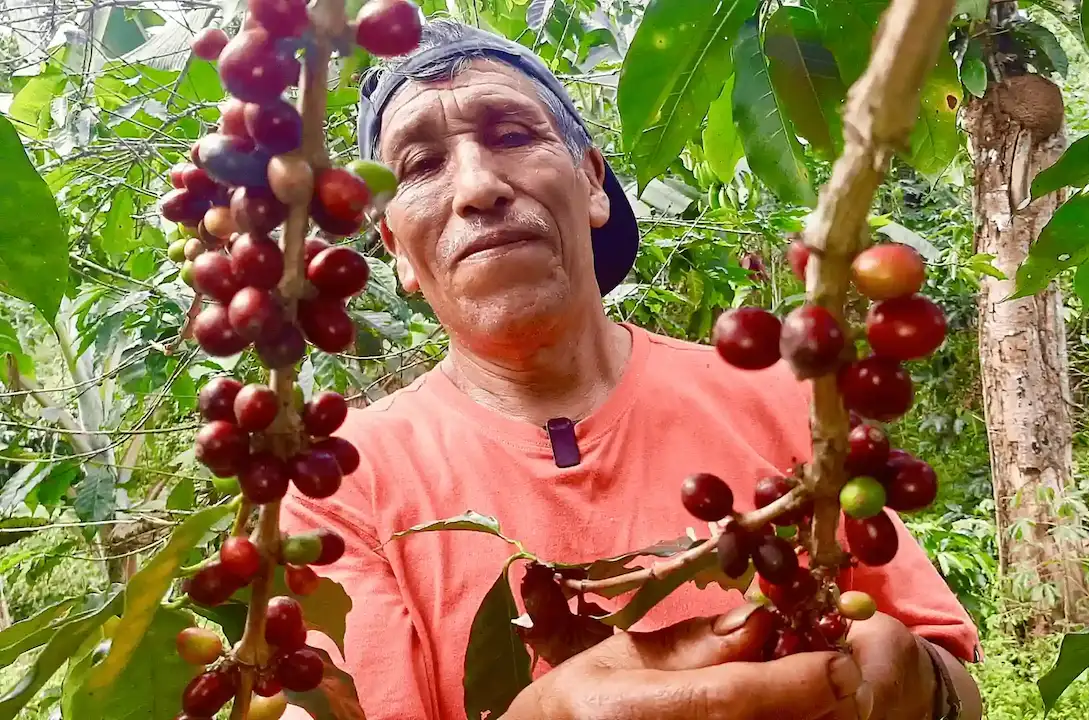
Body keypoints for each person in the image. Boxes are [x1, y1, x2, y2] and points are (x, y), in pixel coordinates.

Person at [279, 19, 983, 720]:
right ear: (395, 247)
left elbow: (953, 677)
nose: (477, 187)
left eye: (514, 135)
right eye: (421, 166)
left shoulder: (784, 394)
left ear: (592, 183)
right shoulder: (337, 483)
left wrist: (918, 683)